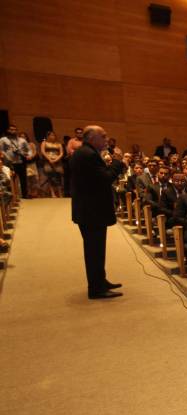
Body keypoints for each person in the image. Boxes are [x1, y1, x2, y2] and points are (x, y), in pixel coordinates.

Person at [70, 125, 125, 299]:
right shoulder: (88, 155)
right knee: (94, 251)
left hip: (90, 210)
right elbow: (106, 179)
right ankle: (96, 289)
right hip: (92, 212)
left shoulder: (86, 153)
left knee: (96, 250)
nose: (107, 138)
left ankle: (100, 281)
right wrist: (117, 162)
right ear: (92, 138)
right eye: (103, 136)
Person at [0, 125, 31, 198]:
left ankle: (25, 195)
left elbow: (28, 149)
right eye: (11, 129)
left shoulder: (22, 140)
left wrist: (29, 155)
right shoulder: (3, 139)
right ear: (8, 130)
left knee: (23, 179)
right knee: (10, 179)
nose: (13, 131)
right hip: (9, 163)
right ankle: (12, 196)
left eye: (15, 129)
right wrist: (7, 157)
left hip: (21, 161)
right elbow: (1, 150)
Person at [40, 131, 64, 197]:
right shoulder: (44, 143)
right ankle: (52, 193)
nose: (52, 136)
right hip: (48, 161)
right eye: (51, 135)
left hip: (57, 161)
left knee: (58, 177)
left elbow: (61, 153)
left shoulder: (58, 144)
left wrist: (57, 159)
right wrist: (49, 159)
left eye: (53, 135)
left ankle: (60, 193)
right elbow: (43, 151)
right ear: (47, 136)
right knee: (50, 176)